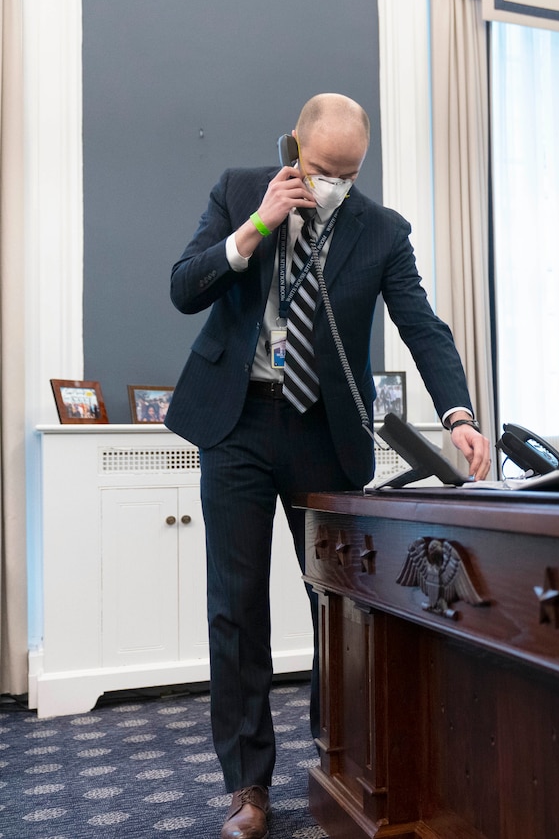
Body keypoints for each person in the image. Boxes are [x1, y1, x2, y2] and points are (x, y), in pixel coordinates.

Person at [167, 93, 491, 839]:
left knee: (337, 604)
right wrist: (257, 228)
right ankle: (248, 785)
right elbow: (185, 287)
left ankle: (337, 757)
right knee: (237, 604)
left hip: (323, 430)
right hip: (238, 420)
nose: (334, 186)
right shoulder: (241, 190)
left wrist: (460, 415)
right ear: (293, 149)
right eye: (321, 170)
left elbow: (422, 324)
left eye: (348, 174)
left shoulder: (381, 232)